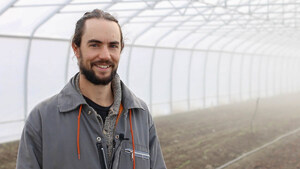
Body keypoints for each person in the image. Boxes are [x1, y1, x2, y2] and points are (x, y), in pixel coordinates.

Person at [16, 9, 166, 169]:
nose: (105, 55)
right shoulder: (42, 119)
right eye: (95, 45)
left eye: (113, 46)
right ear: (76, 48)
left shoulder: (140, 115)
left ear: (121, 49)